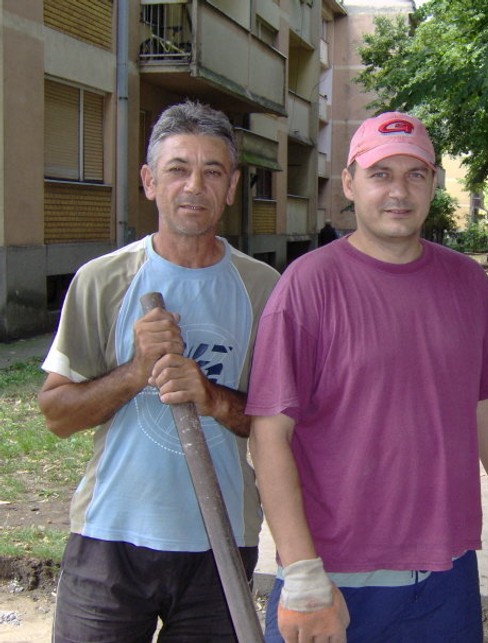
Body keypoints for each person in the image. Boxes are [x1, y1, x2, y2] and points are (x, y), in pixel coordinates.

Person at [246, 111, 488, 642]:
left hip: (446, 577)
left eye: (415, 174)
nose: (398, 191)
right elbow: (269, 438)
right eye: (381, 174)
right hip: (335, 579)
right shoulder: (306, 287)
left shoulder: (468, 284)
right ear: (351, 184)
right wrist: (304, 576)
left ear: (433, 185)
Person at [37, 100, 280, 642]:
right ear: (149, 181)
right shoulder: (102, 281)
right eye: (178, 169)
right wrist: (136, 371)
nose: (194, 186)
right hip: (110, 539)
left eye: (212, 171)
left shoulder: (265, 289)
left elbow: (280, 421)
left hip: (219, 546)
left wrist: (213, 398)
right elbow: (56, 415)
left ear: (233, 186)